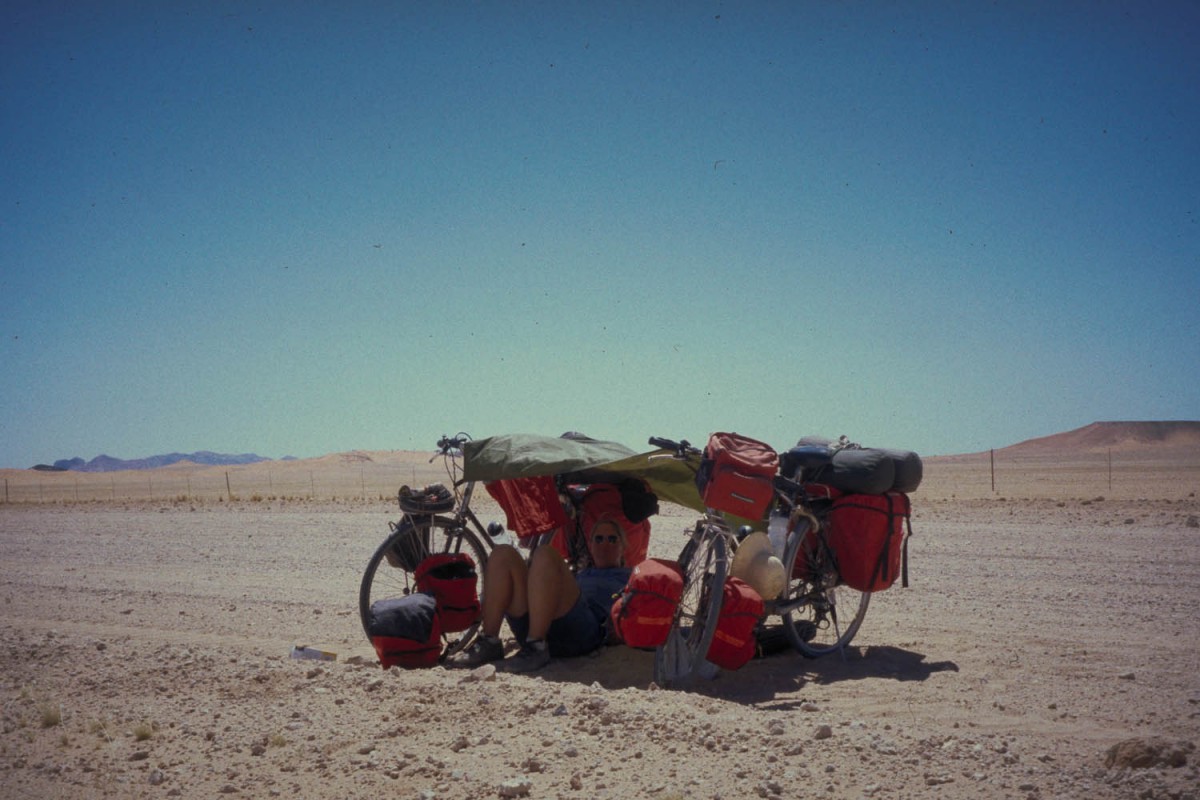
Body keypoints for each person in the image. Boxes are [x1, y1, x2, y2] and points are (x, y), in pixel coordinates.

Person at [446, 515, 633, 673]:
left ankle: (537, 647)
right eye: (598, 539)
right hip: (542, 623)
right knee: (503, 553)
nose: (605, 544)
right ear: (590, 546)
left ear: (623, 546)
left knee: (545, 553)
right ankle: (490, 642)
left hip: (585, 631)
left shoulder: (631, 575)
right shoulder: (581, 574)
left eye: (612, 539)